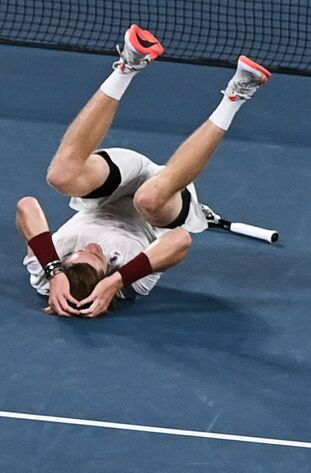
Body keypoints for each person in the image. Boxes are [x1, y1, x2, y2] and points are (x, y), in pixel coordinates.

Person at [17, 25, 270, 318]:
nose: (92, 248)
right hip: (163, 207)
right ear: (104, 282)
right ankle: (237, 96)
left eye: (79, 255)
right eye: (97, 259)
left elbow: (27, 206)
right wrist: (118, 279)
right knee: (147, 199)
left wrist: (54, 269)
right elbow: (181, 240)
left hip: (112, 188)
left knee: (60, 175)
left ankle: (129, 64)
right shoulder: (133, 284)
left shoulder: (46, 271)